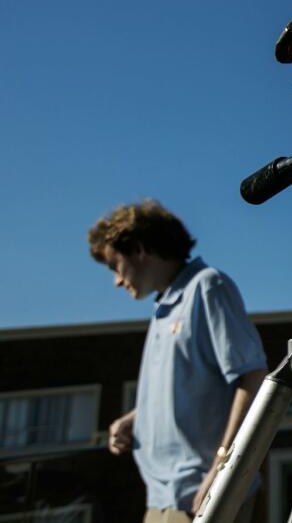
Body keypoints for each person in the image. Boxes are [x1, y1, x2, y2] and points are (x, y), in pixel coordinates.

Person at [88, 200, 267, 522]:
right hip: (161, 500)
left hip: (204, 496)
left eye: (115, 266)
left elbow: (252, 376)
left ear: (139, 248)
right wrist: (135, 419)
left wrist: (222, 469)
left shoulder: (208, 286)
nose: (116, 280)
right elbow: (186, 390)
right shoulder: (162, 309)